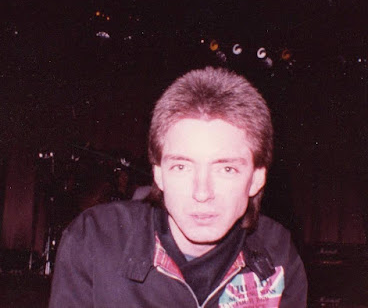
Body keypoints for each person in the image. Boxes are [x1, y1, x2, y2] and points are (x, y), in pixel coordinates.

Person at [49, 67, 307, 307]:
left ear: (256, 179)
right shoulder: (94, 239)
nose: (202, 193)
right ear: (158, 175)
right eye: (182, 167)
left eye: (226, 169)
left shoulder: (279, 254)